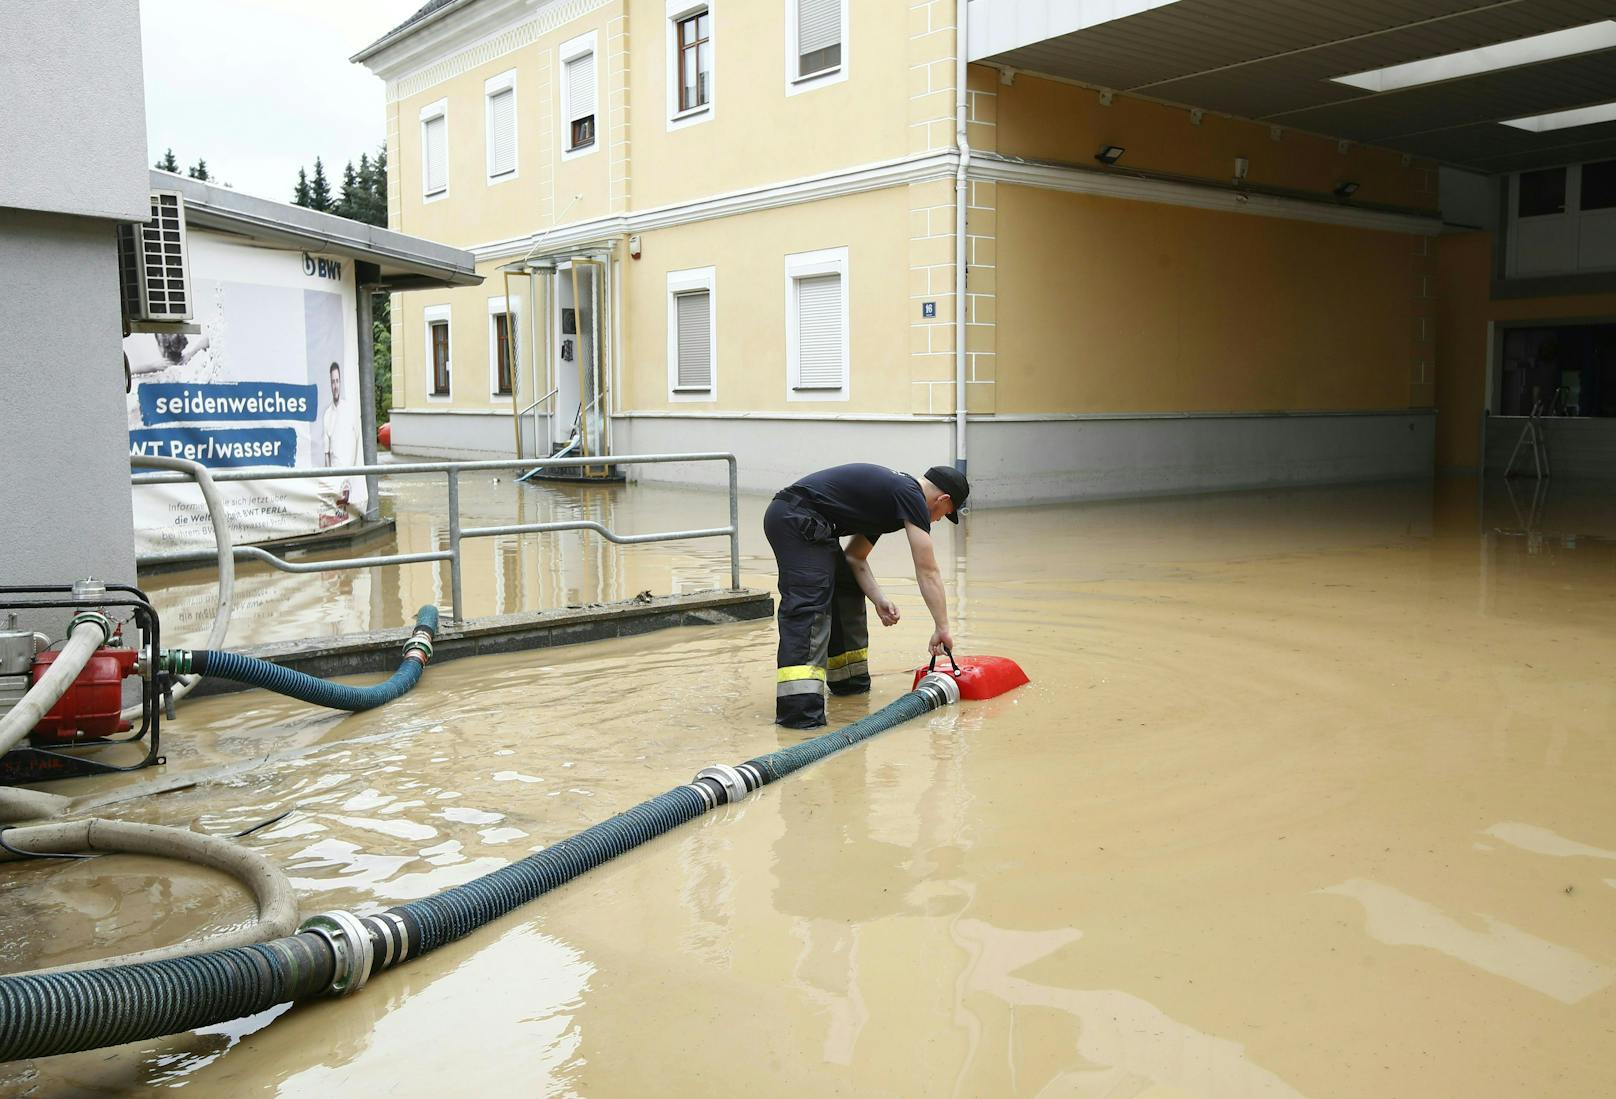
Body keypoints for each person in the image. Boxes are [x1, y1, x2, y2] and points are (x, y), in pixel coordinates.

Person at [764, 462, 969, 729]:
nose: (938, 519)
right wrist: (942, 627)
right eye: (944, 514)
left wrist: (878, 599)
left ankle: (850, 685)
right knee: (809, 607)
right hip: (795, 518)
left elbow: (854, 557)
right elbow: (927, 570)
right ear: (942, 499)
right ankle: (800, 717)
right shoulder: (910, 495)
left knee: (846, 588)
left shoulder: (892, 502)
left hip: (809, 521)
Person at [321, 361, 362, 505]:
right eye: (333, 382)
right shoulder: (327, 415)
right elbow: (326, 453)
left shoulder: (349, 409)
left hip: (350, 478)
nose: (335, 385)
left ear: (341, 382)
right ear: (330, 384)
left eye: (337, 381)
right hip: (335, 480)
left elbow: (358, 441)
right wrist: (330, 480)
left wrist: (352, 476)